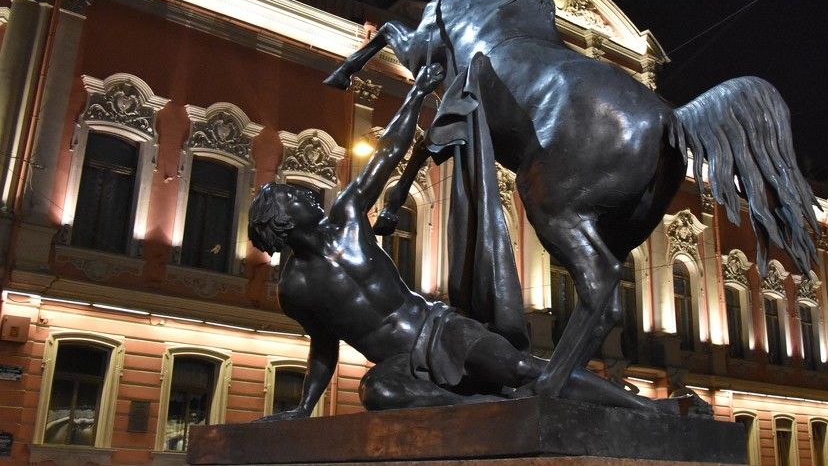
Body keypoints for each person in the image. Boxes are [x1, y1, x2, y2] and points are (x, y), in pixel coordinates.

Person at [250, 64, 684, 420]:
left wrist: (418, 93)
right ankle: (489, 408)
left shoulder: (346, 218)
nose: (306, 193)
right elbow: (323, 345)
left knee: (520, 367)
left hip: (435, 328)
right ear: (281, 220)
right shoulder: (296, 290)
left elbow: (386, 155)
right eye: (293, 195)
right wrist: (304, 408)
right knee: (378, 394)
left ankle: (646, 408)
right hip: (394, 361)